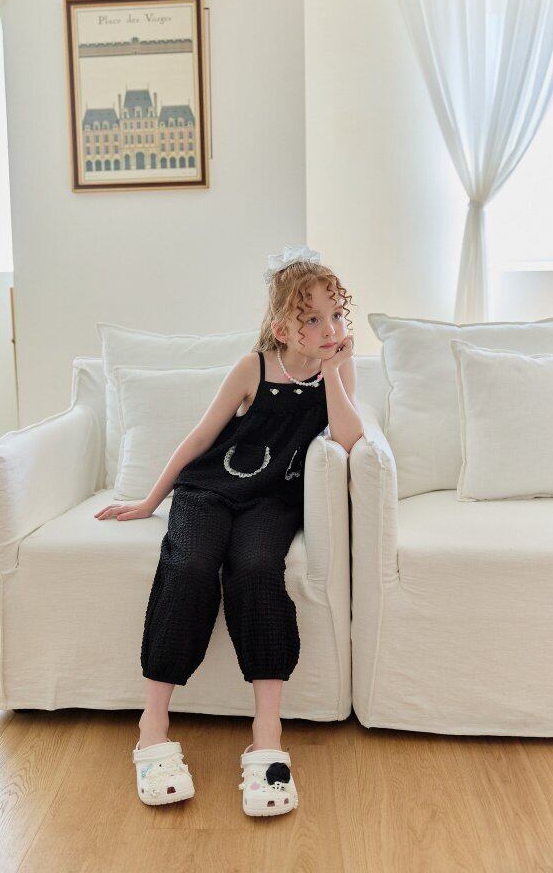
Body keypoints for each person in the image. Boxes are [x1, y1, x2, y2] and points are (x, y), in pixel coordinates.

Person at [94, 244, 363, 816]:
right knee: (189, 566)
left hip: (272, 503)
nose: (329, 329)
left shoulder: (337, 372)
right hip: (208, 491)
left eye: (336, 315)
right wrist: (150, 501)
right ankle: (152, 726)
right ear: (281, 326)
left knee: (258, 572)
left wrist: (334, 374)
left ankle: (267, 735)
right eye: (312, 318)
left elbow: (346, 440)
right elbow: (199, 438)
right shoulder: (253, 367)